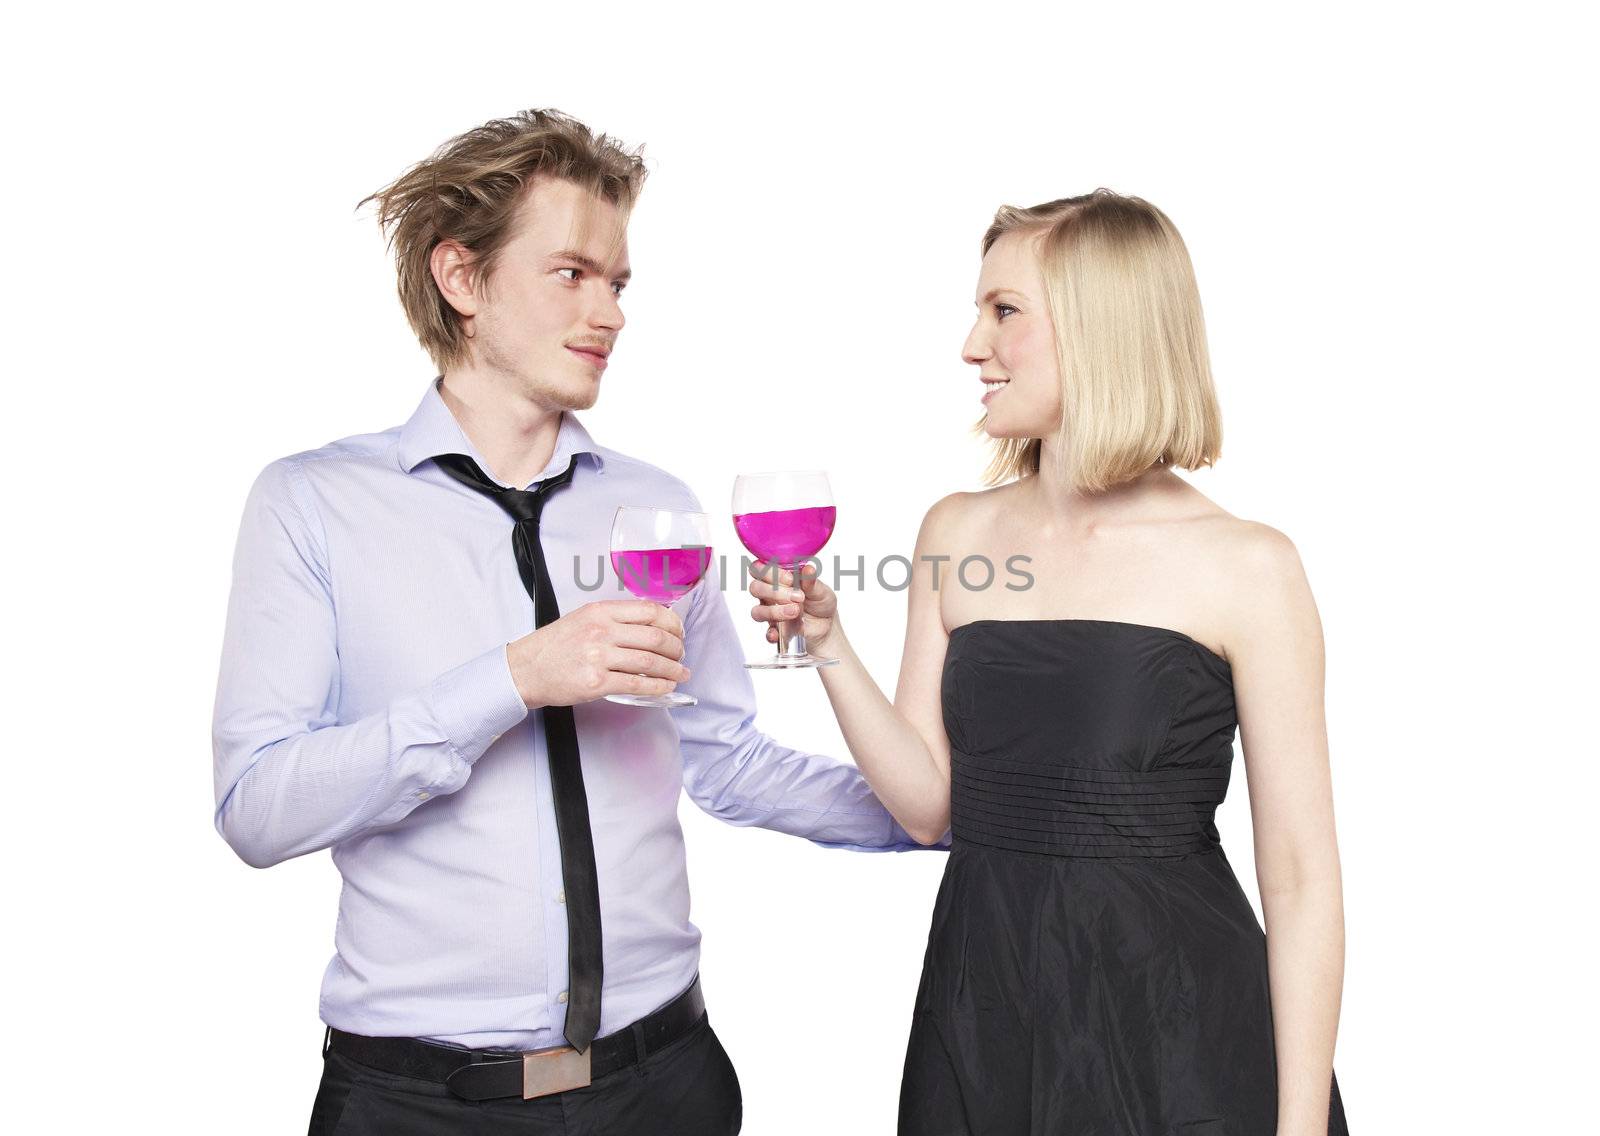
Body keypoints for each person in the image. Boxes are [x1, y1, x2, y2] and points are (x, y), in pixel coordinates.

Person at [211, 108, 936, 1136]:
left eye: (619, 283)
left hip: (667, 1084)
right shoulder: (312, 503)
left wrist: (946, 810)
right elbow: (256, 807)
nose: (610, 312)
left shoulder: (653, 508)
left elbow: (725, 759)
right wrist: (509, 677)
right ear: (461, 279)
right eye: (571, 274)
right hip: (418, 1106)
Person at [747, 190, 1350, 1134]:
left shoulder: (1248, 566)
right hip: (986, 1014)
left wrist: (1302, 1125)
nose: (971, 346)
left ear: (1102, 327)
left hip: (1180, 1035)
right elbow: (927, 806)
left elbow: (1303, 876)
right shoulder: (956, 531)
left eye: (1004, 311)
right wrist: (826, 639)